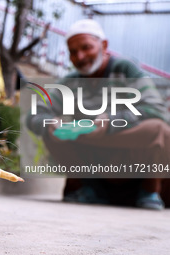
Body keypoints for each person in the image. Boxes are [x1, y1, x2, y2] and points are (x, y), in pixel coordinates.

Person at [26, 19, 170, 210]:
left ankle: (149, 191)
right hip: (93, 155)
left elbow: (156, 109)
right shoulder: (69, 83)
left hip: (130, 155)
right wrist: (50, 122)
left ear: (104, 45)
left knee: (158, 129)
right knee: (51, 132)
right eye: (73, 52)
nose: (80, 56)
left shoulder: (125, 69)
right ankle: (88, 189)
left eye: (86, 47)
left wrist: (110, 122)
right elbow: (34, 115)